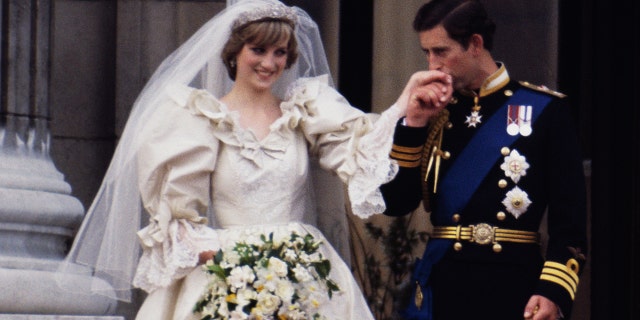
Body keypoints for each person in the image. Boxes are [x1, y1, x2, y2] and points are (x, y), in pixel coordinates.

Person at [57, 0, 450, 319]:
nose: (269, 63)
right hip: (228, 275)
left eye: (280, 52)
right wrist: (241, 268)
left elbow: (363, 149)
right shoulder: (199, 120)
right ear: (234, 52)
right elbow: (179, 222)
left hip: (305, 272)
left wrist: (404, 107)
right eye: (258, 49)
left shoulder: (304, 111)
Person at [380, 1, 588, 319]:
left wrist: (552, 291)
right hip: (445, 285)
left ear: (475, 44)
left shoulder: (546, 110)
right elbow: (395, 203)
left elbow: (570, 223)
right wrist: (414, 125)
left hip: (513, 286)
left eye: (441, 51)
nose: (432, 65)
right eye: (427, 53)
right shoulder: (431, 112)